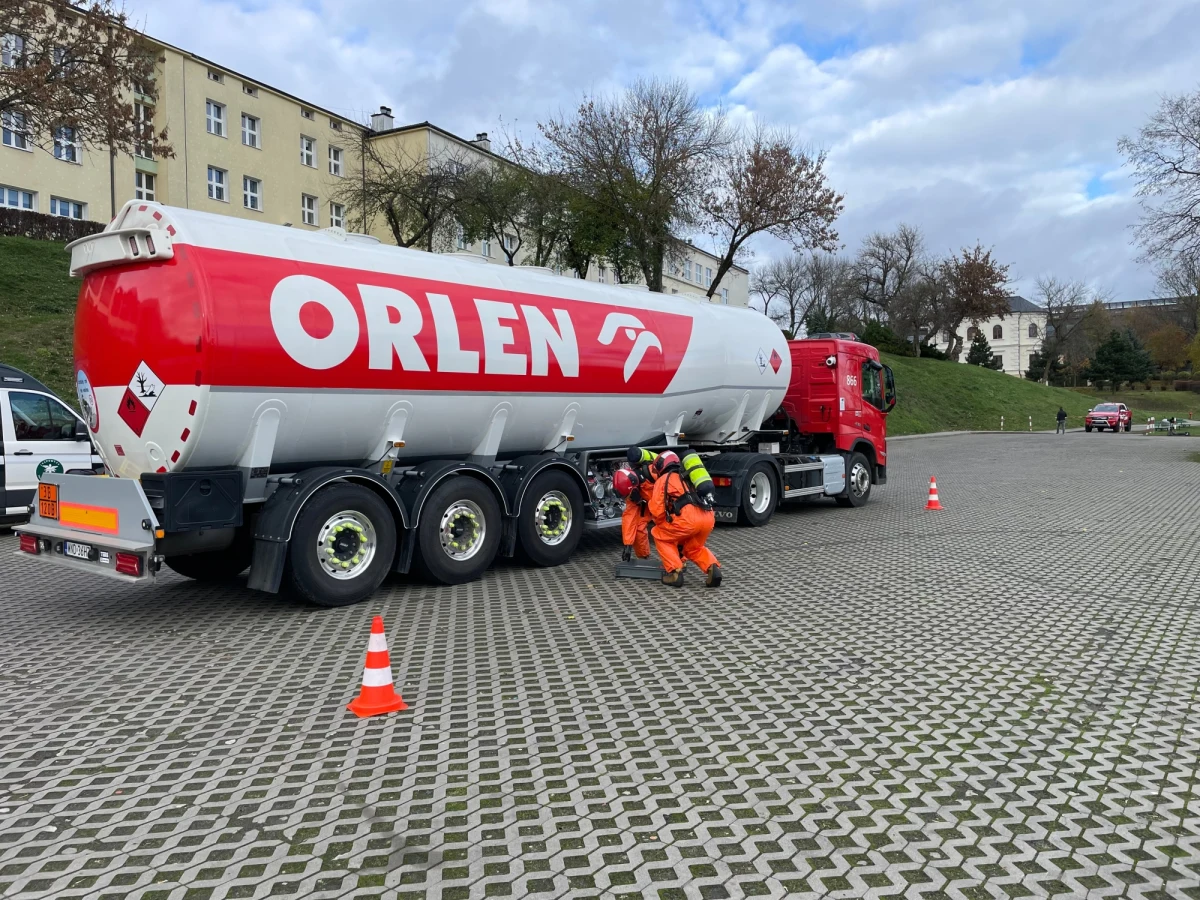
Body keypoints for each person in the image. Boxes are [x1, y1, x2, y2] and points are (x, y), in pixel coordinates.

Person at [647, 450, 721, 588]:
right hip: (708, 518)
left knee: (659, 535)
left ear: (661, 466)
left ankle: (675, 572)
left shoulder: (663, 480)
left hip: (688, 521)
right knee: (694, 548)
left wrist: (661, 522)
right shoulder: (689, 477)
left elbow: (657, 510)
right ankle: (712, 568)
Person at [613, 466, 654, 562]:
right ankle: (644, 557)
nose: (627, 498)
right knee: (639, 528)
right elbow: (629, 518)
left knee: (669, 530)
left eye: (627, 496)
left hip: (668, 507)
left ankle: (679, 562)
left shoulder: (652, 478)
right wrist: (628, 545)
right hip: (651, 504)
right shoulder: (631, 489)